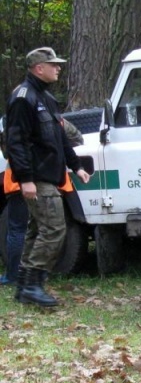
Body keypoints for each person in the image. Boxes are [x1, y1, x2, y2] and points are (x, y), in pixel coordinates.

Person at [4, 47, 90, 306]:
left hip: (50, 175)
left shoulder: (47, 98)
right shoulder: (23, 98)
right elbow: (15, 142)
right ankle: (32, 285)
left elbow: (60, 137)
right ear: (38, 68)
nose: (58, 68)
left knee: (37, 231)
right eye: (53, 64)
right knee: (54, 229)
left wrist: (76, 166)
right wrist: (25, 179)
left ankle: (24, 286)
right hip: (37, 177)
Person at [1, 119, 84, 286]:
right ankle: (37, 274)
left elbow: (6, 150)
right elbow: (77, 139)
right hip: (50, 180)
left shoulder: (14, 119)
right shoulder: (55, 118)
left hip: (19, 181)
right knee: (47, 228)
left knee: (19, 229)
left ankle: (15, 275)